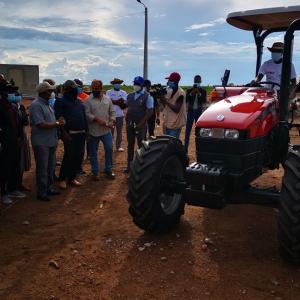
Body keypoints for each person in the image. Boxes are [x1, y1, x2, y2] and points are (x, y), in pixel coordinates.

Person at [29, 82, 63, 201]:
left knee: (50, 167)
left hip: (50, 141)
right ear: (43, 92)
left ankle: (49, 188)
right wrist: (57, 123)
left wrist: (56, 123)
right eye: (49, 91)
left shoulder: (47, 105)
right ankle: (42, 192)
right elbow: (40, 124)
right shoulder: (36, 105)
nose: (51, 93)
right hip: (41, 142)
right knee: (42, 168)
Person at [54, 80, 88, 189]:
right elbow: (59, 118)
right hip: (69, 134)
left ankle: (72, 178)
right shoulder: (60, 101)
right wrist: (64, 134)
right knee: (69, 156)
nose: (76, 90)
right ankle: (62, 178)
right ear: (68, 90)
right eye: (74, 88)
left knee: (78, 156)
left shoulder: (79, 102)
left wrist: (87, 131)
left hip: (81, 133)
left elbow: (84, 117)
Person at [85, 80, 116, 180]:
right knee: (93, 151)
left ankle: (109, 170)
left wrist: (112, 120)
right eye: (93, 88)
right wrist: (95, 118)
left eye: (96, 88)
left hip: (106, 130)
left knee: (109, 148)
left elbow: (112, 112)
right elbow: (87, 114)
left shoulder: (107, 99)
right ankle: (95, 172)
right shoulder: (88, 100)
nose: (94, 90)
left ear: (101, 88)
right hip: (93, 131)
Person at [0, 80, 23, 203]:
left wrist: (19, 137)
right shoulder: (1, 107)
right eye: (9, 92)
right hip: (5, 142)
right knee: (4, 167)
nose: (12, 94)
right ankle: (3, 193)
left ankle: (13, 189)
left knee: (15, 165)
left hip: (15, 141)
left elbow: (18, 125)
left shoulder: (13, 107)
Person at [124, 76, 153, 173]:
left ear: (142, 85)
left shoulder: (147, 96)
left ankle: (141, 167)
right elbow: (128, 107)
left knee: (141, 145)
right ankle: (129, 166)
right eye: (134, 84)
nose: (135, 86)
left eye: (138, 84)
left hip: (140, 124)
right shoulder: (130, 95)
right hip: (130, 124)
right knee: (130, 144)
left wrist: (142, 123)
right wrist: (127, 117)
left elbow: (150, 111)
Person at [159, 72, 186, 139]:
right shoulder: (169, 91)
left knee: (172, 144)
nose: (168, 82)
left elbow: (176, 109)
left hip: (175, 124)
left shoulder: (180, 93)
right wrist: (161, 97)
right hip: (168, 122)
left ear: (176, 82)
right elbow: (165, 106)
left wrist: (164, 100)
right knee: (167, 142)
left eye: (170, 80)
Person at [184, 75, 207, 152]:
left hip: (199, 113)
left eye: (198, 81)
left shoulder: (203, 91)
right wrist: (192, 93)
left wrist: (199, 93)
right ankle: (185, 150)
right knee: (187, 132)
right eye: (195, 81)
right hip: (190, 112)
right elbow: (186, 100)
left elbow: (204, 100)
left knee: (199, 132)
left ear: (200, 81)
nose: (197, 83)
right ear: (193, 81)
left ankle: (200, 149)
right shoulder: (189, 90)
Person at [106, 78, 127, 152]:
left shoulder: (124, 92)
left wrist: (113, 101)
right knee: (110, 131)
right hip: (110, 115)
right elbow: (108, 101)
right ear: (113, 84)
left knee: (119, 131)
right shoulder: (108, 92)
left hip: (119, 115)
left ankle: (119, 146)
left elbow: (124, 102)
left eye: (118, 83)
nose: (117, 84)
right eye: (116, 83)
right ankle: (110, 146)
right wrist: (118, 101)